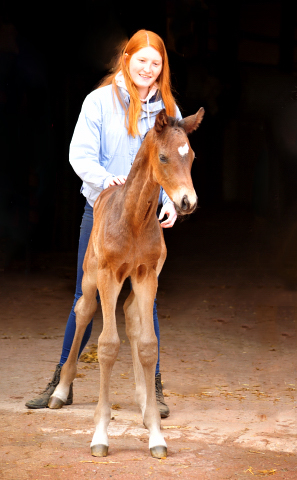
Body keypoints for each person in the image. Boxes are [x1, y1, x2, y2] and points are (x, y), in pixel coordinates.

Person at [25, 29, 182, 418]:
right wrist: (100, 178)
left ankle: (153, 387)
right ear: (126, 59)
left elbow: (174, 165)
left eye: (156, 63)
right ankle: (63, 378)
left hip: (144, 222)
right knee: (87, 296)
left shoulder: (169, 111)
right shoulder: (98, 101)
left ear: (162, 69)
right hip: (103, 214)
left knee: (147, 303)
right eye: (141, 59)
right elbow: (79, 153)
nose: (148, 68)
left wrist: (170, 205)